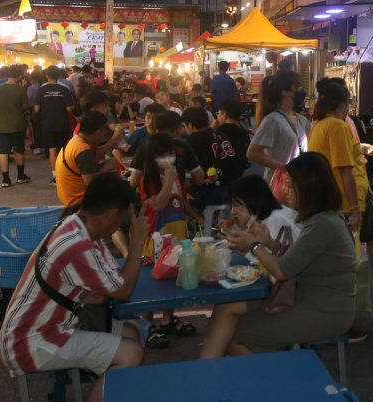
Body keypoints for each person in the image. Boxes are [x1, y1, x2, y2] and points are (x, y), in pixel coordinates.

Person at [0, 174, 149, 402]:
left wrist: (100, 291)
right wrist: (137, 242)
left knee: (132, 333)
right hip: (30, 340)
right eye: (122, 219)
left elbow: (114, 280)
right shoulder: (78, 246)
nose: (121, 226)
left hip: (52, 325)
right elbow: (123, 290)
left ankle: (115, 391)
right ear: (109, 215)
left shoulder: (76, 225)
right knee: (131, 354)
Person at [200, 152, 356, 357]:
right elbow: (296, 258)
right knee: (226, 307)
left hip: (324, 311)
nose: (285, 190)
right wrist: (269, 243)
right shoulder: (321, 220)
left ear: (309, 188)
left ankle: (264, 382)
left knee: (233, 334)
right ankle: (209, 371)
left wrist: (253, 245)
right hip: (305, 299)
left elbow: (282, 271)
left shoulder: (322, 224)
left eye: (291, 186)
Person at [134, 132, 199, 348]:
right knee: (153, 278)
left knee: (170, 274)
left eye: (171, 153)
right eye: (163, 154)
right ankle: (147, 324)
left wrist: (195, 215)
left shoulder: (175, 176)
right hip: (156, 235)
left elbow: (180, 199)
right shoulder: (148, 180)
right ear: (153, 157)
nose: (168, 158)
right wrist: (169, 180)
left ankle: (168, 319)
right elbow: (157, 205)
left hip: (176, 231)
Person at [307, 80, 365, 234]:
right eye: (348, 103)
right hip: (341, 203)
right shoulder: (338, 126)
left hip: (325, 201)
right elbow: (345, 169)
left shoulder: (318, 125)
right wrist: (355, 208)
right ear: (342, 104)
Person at [248, 71, 311, 189]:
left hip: (298, 183)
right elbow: (252, 153)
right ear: (284, 92)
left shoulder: (302, 120)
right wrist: (283, 167)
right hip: (278, 185)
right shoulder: (272, 120)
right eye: (297, 87)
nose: (301, 91)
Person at [182, 106, 247, 212]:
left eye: (184, 125)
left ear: (190, 125)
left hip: (213, 192)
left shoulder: (193, 140)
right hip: (235, 187)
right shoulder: (220, 134)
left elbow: (194, 173)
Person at [222, 175, 300, 252]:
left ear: (254, 201)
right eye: (231, 206)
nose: (233, 212)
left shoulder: (276, 220)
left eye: (236, 205)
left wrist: (242, 249)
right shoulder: (268, 216)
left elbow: (271, 261)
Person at [55, 111, 118, 207]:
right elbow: (91, 183)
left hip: (68, 197)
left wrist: (110, 145)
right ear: (98, 131)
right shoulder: (83, 150)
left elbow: (90, 160)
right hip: (78, 202)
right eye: (104, 130)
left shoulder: (74, 141)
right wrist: (107, 168)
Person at [0, 64, 33, 187]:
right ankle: (20, 176)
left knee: (3, 152)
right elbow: (26, 106)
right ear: (20, 76)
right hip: (17, 124)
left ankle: (5, 180)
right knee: (19, 150)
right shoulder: (20, 89)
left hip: (0, 125)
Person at [36, 65, 76, 180]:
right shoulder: (64, 89)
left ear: (46, 75)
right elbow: (69, 109)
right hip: (62, 123)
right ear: (59, 76)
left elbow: (36, 109)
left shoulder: (41, 90)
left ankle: (55, 176)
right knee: (63, 149)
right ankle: (64, 172)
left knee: (51, 149)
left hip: (47, 123)